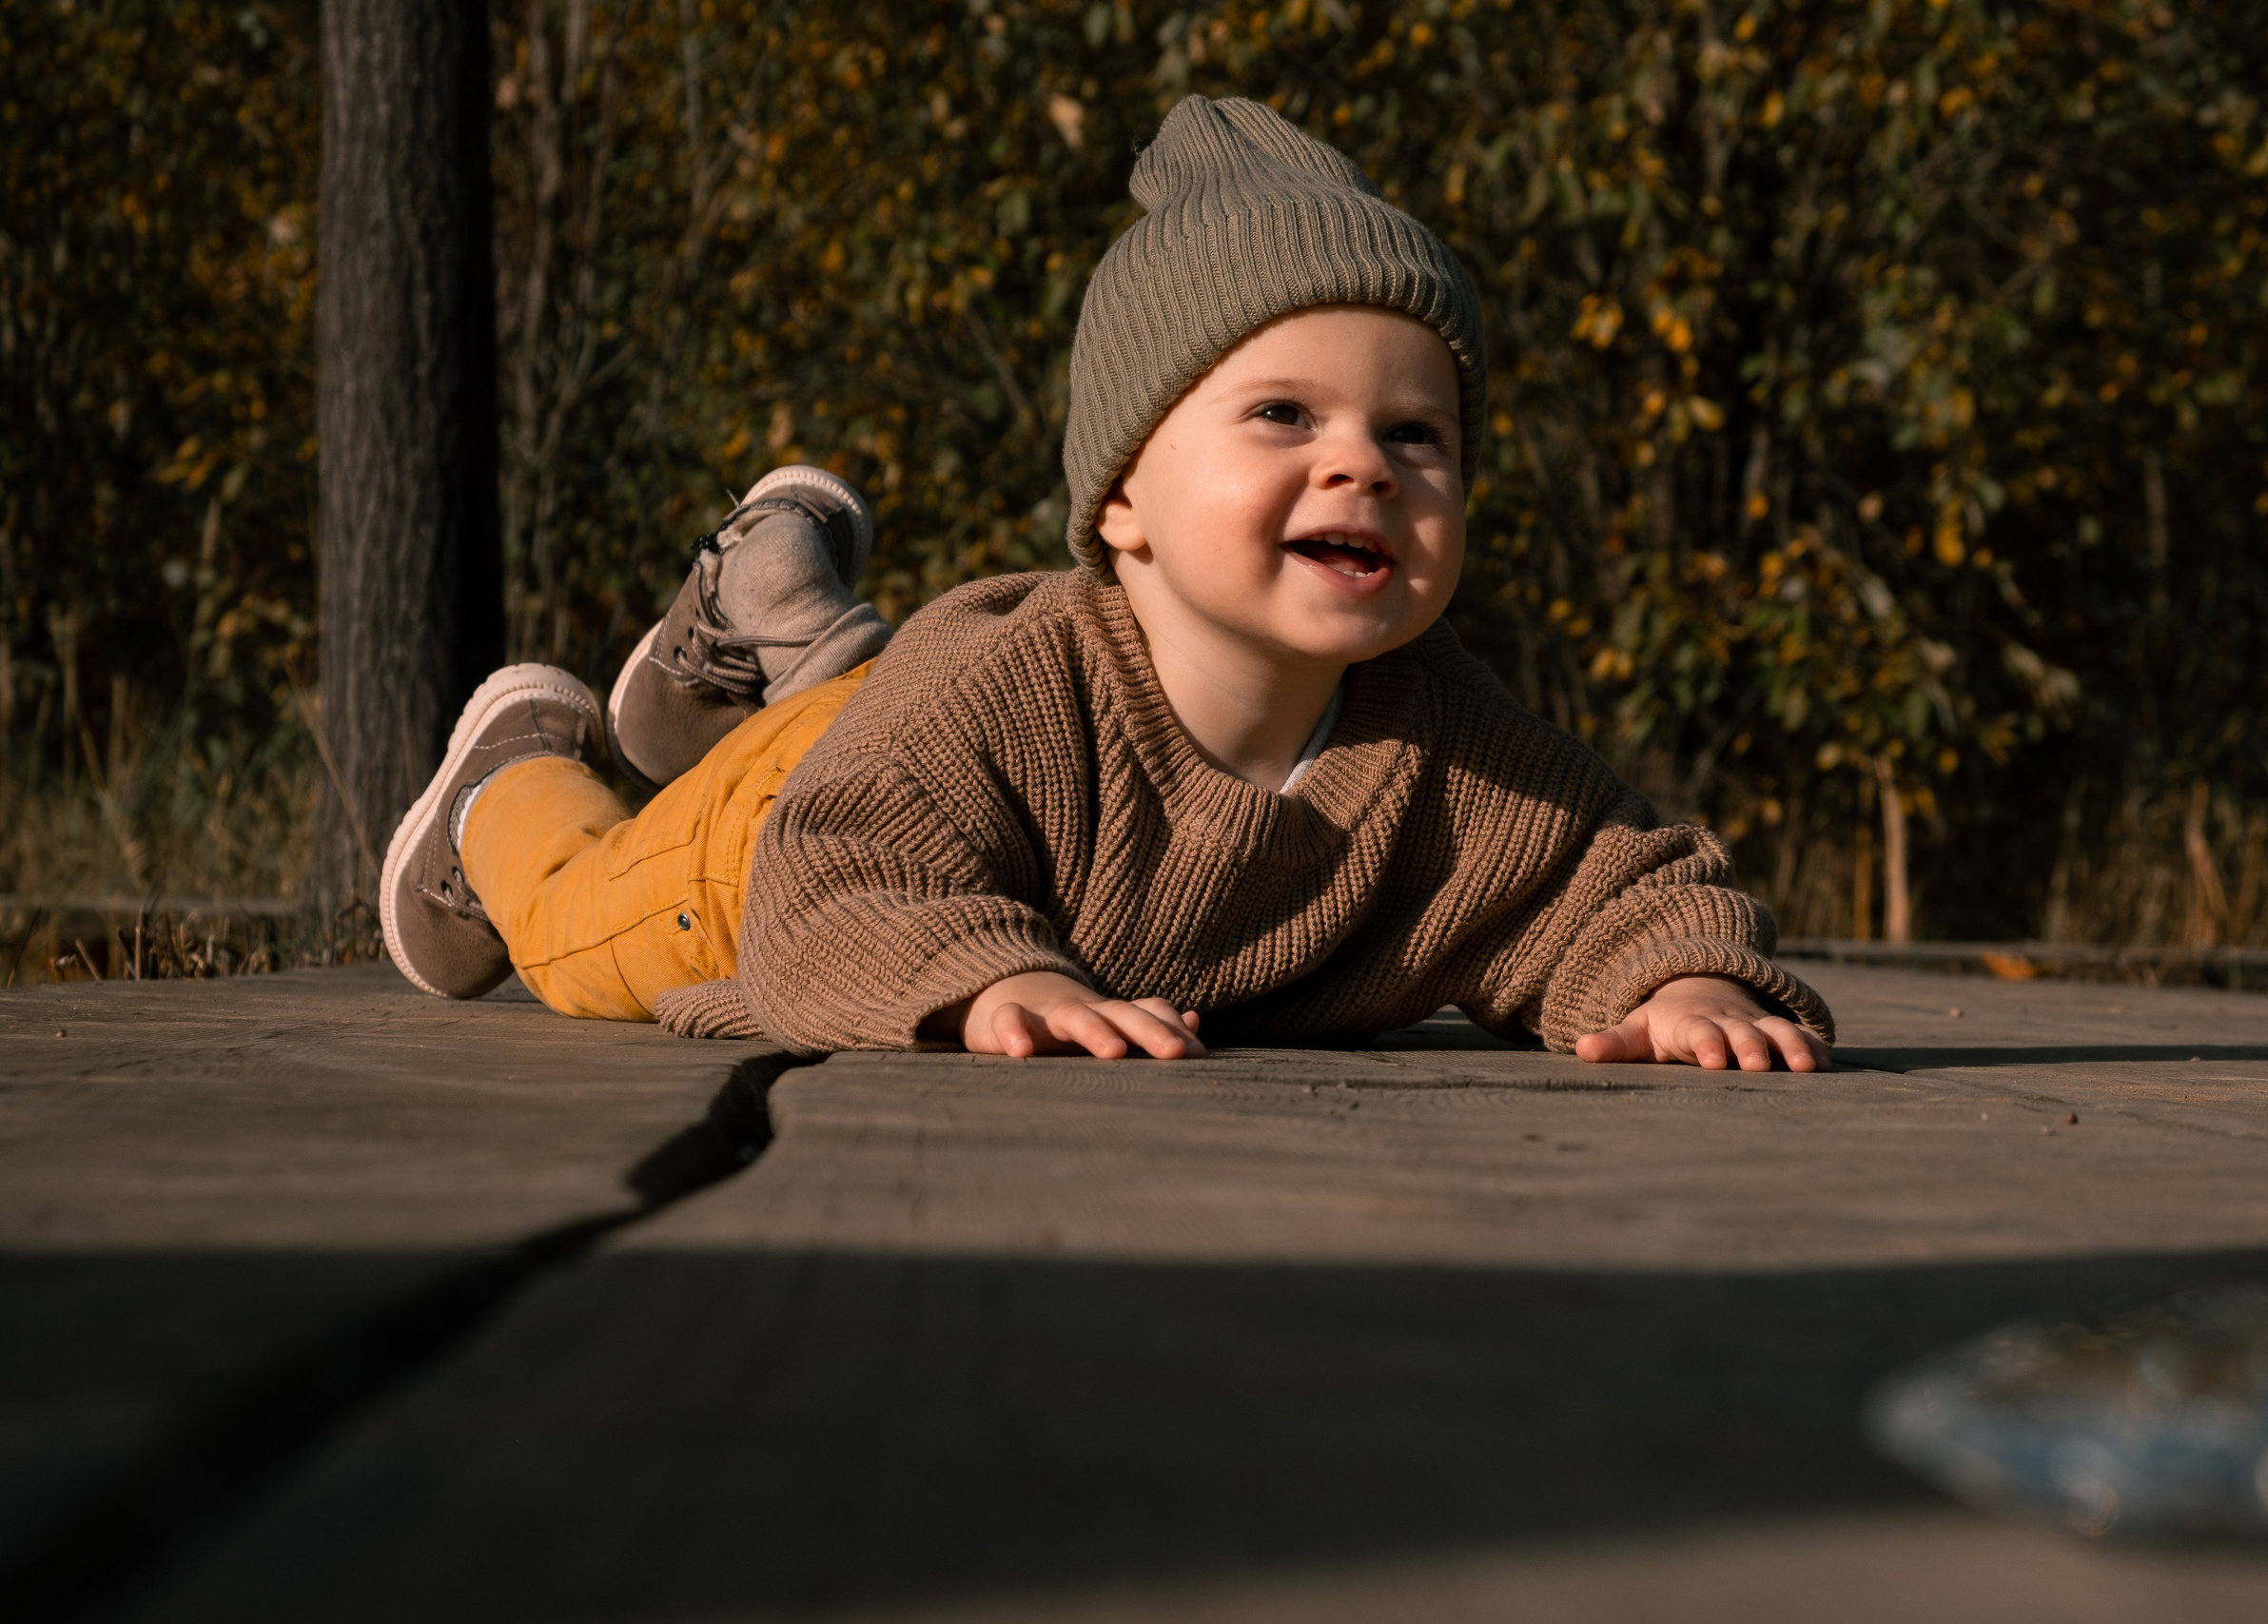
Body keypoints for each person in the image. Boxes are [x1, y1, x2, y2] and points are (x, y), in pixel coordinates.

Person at [378, 94, 1835, 1071]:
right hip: (787, 838)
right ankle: (506, 780)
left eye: (1415, 435)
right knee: (573, 933)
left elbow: (1607, 870)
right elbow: (837, 884)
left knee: (906, 725)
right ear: (1122, 496)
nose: (1366, 467)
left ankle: (773, 627)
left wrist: (1680, 981)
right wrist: (986, 981)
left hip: (924, 765)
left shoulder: (1442, 741)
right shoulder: (1018, 683)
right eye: (1285, 416)